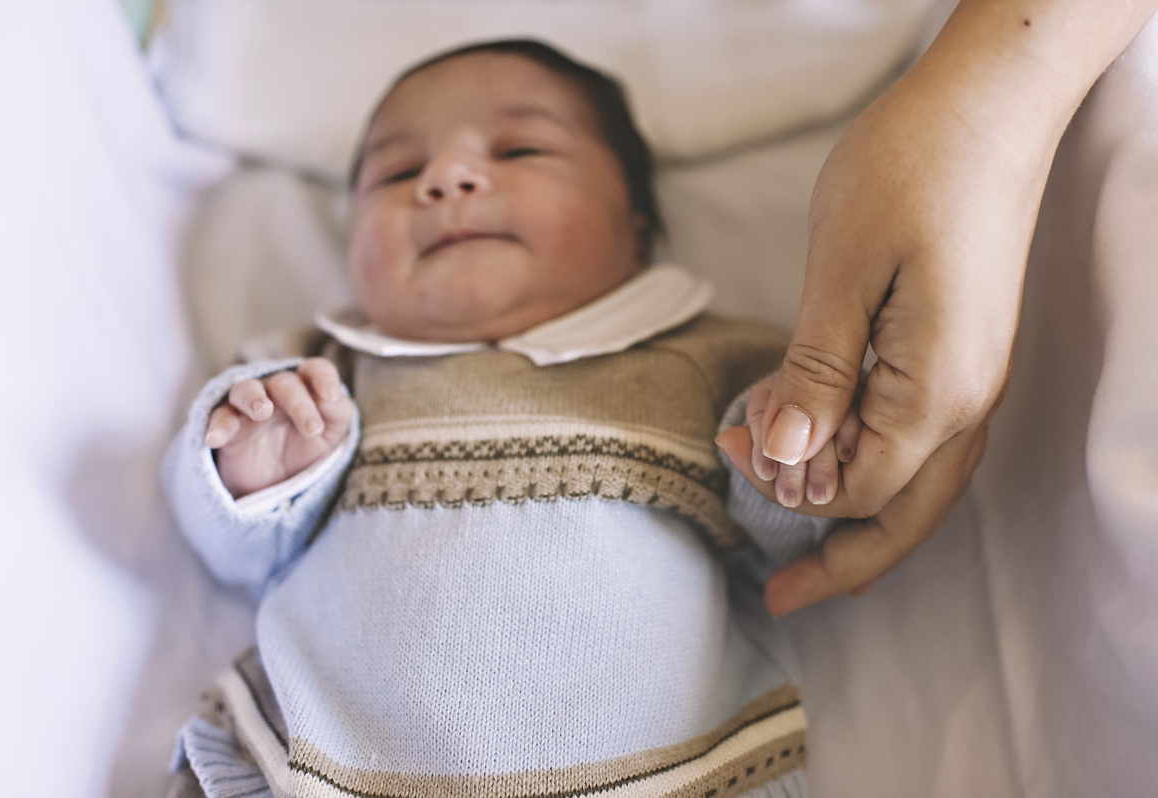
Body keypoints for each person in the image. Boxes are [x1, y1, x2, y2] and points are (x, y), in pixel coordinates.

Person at [164, 40, 858, 798]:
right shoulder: (320, 372)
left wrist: (791, 464)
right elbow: (232, 553)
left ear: (634, 225)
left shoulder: (707, 356)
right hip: (318, 757)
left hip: (663, 766)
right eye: (398, 173)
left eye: (520, 149)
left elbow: (783, 544)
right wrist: (249, 473)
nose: (445, 179)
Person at [715, 0, 1158, 618]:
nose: (521, 185)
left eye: (534, 153)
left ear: (635, 226)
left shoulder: (671, 342)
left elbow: (740, 520)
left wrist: (788, 469)